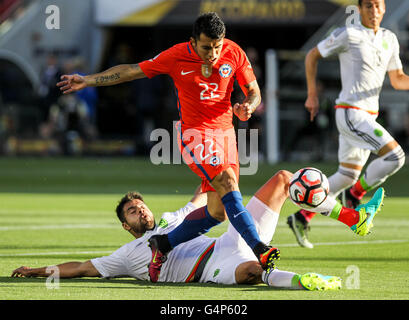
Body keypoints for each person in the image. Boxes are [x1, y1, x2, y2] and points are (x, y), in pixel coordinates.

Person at [57, 12, 278, 282]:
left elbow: (254, 91)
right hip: (195, 134)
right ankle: (260, 249)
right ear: (193, 42)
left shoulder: (234, 52)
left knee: (217, 212)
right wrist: (89, 79)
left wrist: (248, 106)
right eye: (206, 47)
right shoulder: (176, 56)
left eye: (217, 47)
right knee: (228, 182)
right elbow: (132, 70)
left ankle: (163, 245)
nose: (213, 53)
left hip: (226, 134)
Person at [13, 168, 385, 290]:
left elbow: (205, 193)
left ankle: (355, 219)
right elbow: (79, 269)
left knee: (286, 179)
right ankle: (303, 280)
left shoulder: (174, 219)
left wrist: (213, 164)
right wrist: (35, 270)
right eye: (131, 210)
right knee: (253, 270)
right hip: (210, 270)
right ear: (125, 226)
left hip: (228, 238)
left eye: (139, 203)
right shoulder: (124, 257)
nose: (138, 208)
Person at [287, 0, 407, 249]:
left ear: (384, 8)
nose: (374, 11)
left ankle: (302, 215)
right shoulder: (348, 34)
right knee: (396, 157)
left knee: (346, 175)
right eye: (368, 6)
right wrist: (312, 94)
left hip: (367, 115)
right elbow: (312, 55)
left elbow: (397, 80)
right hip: (352, 113)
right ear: (359, 9)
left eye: (378, 6)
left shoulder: (390, 39)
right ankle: (356, 195)